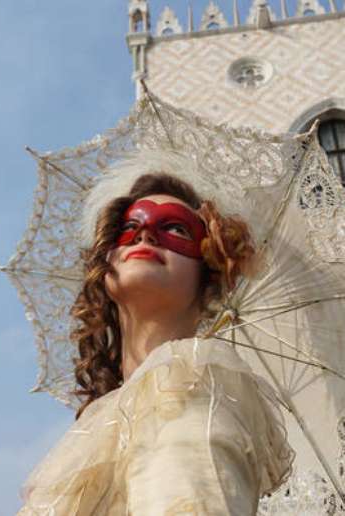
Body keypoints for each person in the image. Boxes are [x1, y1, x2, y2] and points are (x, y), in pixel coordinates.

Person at [17, 150, 294, 515]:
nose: (145, 234)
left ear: (207, 277)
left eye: (175, 228)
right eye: (129, 227)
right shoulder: (102, 419)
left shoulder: (192, 384)